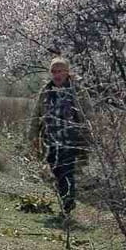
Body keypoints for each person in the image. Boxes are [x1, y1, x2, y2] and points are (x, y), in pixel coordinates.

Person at [29, 57, 88, 212]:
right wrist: (33, 136)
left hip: (71, 140)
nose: (57, 75)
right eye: (54, 71)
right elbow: (36, 114)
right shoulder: (46, 90)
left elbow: (88, 114)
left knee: (67, 170)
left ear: (67, 72)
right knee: (56, 170)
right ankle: (65, 200)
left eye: (60, 71)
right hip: (51, 140)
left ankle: (68, 202)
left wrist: (89, 136)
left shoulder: (77, 90)